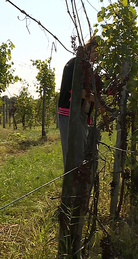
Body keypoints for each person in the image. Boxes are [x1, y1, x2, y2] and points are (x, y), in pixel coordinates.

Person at [58, 36, 101, 168]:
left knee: (80, 152)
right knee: (74, 155)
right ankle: (73, 185)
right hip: (70, 113)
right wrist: (99, 103)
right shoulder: (75, 65)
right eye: (97, 53)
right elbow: (77, 92)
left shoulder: (87, 67)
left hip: (81, 114)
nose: (97, 58)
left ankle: (77, 183)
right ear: (92, 48)